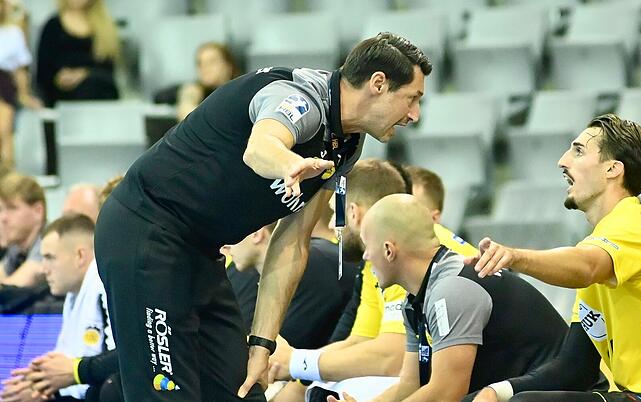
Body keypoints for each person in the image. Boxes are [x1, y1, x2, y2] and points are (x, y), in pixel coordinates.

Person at [94, 33, 431, 401]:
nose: (413, 114)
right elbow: (260, 147)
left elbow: (293, 242)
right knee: (167, 394)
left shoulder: (346, 144)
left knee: (243, 391)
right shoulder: (300, 99)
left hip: (199, 249)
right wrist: (291, 164)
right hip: (144, 231)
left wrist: (262, 344)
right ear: (378, 84)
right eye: (412, 98)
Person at [467, 114, 641, 402]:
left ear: (612, 169)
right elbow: (575, 368)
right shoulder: (603, 249)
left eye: (578, 151)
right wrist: (497, 391)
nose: (562, 160)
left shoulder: (633, 225)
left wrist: (515, 257)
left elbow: (585, 267)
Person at [324, 194, 568, 402]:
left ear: (389, 250)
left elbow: (446, 393)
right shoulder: (416, 299)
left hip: (562, 393)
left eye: (368, 246)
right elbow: (411, 384)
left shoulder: (451, 291)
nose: (366, 256)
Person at [270, 160, 478, 402]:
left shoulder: (405, 252)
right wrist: (295, 368)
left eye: (334, 213)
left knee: (325, 391)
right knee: (314, 386)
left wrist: (297, 363)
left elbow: (392, 358)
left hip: (482, 383)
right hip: (443, 375)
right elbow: (362, 340)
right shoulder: (375, 259)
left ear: (352, 213)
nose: (329, 225)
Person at [0, 214, 111, 402]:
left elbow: (123, 363)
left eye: (50, 258)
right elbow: (68, 369)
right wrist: (40, 386)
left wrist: (71, 374)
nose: (44, 269)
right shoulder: (73, 295)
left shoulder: (102, 286)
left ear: (80, 256)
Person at [222, 220, 358, 347]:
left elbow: (277, 355)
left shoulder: (314, 267)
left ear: (257, 234)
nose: (225, 247)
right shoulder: (252, 272)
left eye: (231, 235)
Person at [35, 0, 120, 107]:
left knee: (94, 88)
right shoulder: (53, 26)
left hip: (98, 91)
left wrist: (84, 74)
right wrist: (61, 78)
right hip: (61, 94)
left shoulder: (105, 28)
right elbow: (42, 71)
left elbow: (109, 72)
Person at [0, 0, 42, 165]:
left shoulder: (13, 33)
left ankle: (7, 172)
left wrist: (24, 96)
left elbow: (20, 69)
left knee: (4, 128)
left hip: (4, 82)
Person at [154, 41, 240, 121]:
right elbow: (159, 96)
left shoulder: (240, 92)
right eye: (200, 63)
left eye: (212, 62)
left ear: (228, 66)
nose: (205, 68)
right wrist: (188, 96)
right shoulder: (198, 90)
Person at [0, 174, 46, 288]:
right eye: (1, 209)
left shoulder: (49, 243)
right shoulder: (17, 247)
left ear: (38, 211)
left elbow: (7, 291)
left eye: (12, 208)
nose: (3, 218)